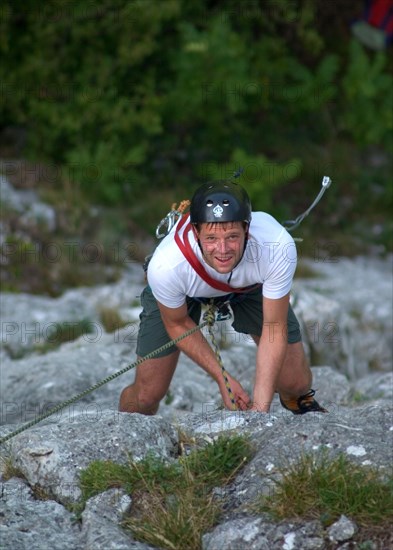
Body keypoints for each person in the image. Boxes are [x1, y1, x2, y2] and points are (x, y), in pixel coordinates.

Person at [119, 179, 327, 415]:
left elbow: (273, 326)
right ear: (195, 231)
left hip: (249, 286)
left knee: (296, 383)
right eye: (211, 239)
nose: (222, 249)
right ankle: (123, 431)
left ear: (247, 229)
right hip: (186, 290)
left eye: (232, 237)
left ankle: (295, 403)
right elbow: (177, 323)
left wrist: (259, 412)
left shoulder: (276, 246)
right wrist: (222, 378)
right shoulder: (167, 264)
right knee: (146, 396)